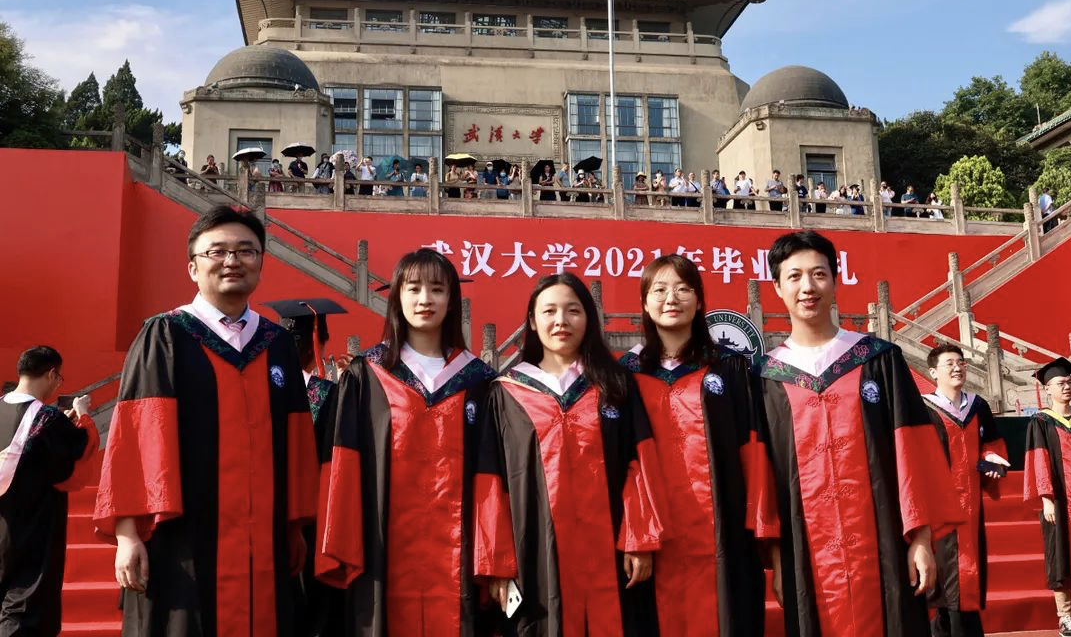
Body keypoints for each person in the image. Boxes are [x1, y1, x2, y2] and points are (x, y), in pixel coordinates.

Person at [94, 205, 319, 636]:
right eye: (217, 251)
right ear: (193, 268)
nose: (232, 260)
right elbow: (134, 439)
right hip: (182, 541)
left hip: (263, 540)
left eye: (246, 251)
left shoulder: (275, 343)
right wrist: (127, 534)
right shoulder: (166, 335)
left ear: (261, 263)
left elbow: (295, 443)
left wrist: (295, 526)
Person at [750, 230, 963, 637]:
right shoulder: (764, 377)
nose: (808, 287)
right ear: (776, 287)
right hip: (805, 555)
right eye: (794, 277)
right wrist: (778, 562)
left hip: (885, 546)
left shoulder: (879, 360)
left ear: (835, 280)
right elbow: (765, 478)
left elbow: (913, 452)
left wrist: (921, 540)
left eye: (819, 274)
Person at [316, 249, 500, 636]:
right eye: (413, 288)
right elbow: (344, 467)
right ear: (397, 296)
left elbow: (491, 476)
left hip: (459, 553)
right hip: (382, 547)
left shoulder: (479, 381)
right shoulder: (367, 374)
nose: (424, 299)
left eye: (437, 289)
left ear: (452, 300)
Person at [473, 272, 666, 637]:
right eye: (549, 311)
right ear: (532, 322)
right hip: (534, 553)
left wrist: (640, 540)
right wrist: (496, 563)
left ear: (588, 318)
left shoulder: (615, 385)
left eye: (573, 310)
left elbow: (639, 464)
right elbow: (491, 483)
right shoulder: (506, 394)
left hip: (611, 554)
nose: (561, 321)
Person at [620, 256, 766, 636]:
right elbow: (621, 463)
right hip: (653, 535)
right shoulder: (625, 376)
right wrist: (636, 533)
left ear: (699, 301)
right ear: (645, 302)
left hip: (723, 530)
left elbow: (752, 452)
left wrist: (759, 528)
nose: (672, 298)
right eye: (660, 290)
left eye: (683, 289)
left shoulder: (730, 368)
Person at [265, 298, 349, 637]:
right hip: (314, 511)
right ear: (319, 344)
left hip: (265, 508)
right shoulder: (328, 394)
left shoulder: (260, 388)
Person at [0, 347, 97, 637]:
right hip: (32, 524)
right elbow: (77, 455)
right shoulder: (47, 419)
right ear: (52, 374)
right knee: (24, 603)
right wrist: (83, 416)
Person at [922, 344, 1008, 637]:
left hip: (971, 506)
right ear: (933, 372)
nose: (957, 368)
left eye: (961, 362)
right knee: (942, 573)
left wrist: (991, 461)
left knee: (967, 573)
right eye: (949, 363)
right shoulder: (922, 408)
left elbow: (991, 445)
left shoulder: (978, 405)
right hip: (937, 507)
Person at [1024, 357, 1071, 636]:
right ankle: (1065, 616)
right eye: (1060, 383)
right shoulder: (1041, 422)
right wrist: (1046, 498)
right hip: (1059, 500)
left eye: (1069, 382)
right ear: (1047, 389)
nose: (1067, 387)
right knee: (1060, 555)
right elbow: (1038, 460)